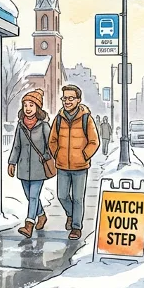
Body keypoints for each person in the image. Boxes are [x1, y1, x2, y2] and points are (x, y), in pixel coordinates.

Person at [48, 85, 100, 240]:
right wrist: (57, 154)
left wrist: (84, 155)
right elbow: (52, 140)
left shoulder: (86, 118)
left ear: (78, 100)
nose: (67, 101)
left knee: (78, 198)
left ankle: (76, 227)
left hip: (80, 167)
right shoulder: (58, 119)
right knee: (62, 195)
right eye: (65, 98)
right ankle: (70, 215)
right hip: (62, 165)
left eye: (71, 98)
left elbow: (94, 141)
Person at [8, 89, 52, 238]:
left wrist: (46, 155)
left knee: (33, 196)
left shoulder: (44, 126)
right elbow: (16, 145)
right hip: (23, 167)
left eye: (31, 105)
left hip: (39, 167)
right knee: (29, 196)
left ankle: (29, 224)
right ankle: (41, 214)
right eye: (25, 105)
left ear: (37, 108)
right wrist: (12, 162)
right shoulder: (20, 125)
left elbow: (51, 145)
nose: (28, 108)